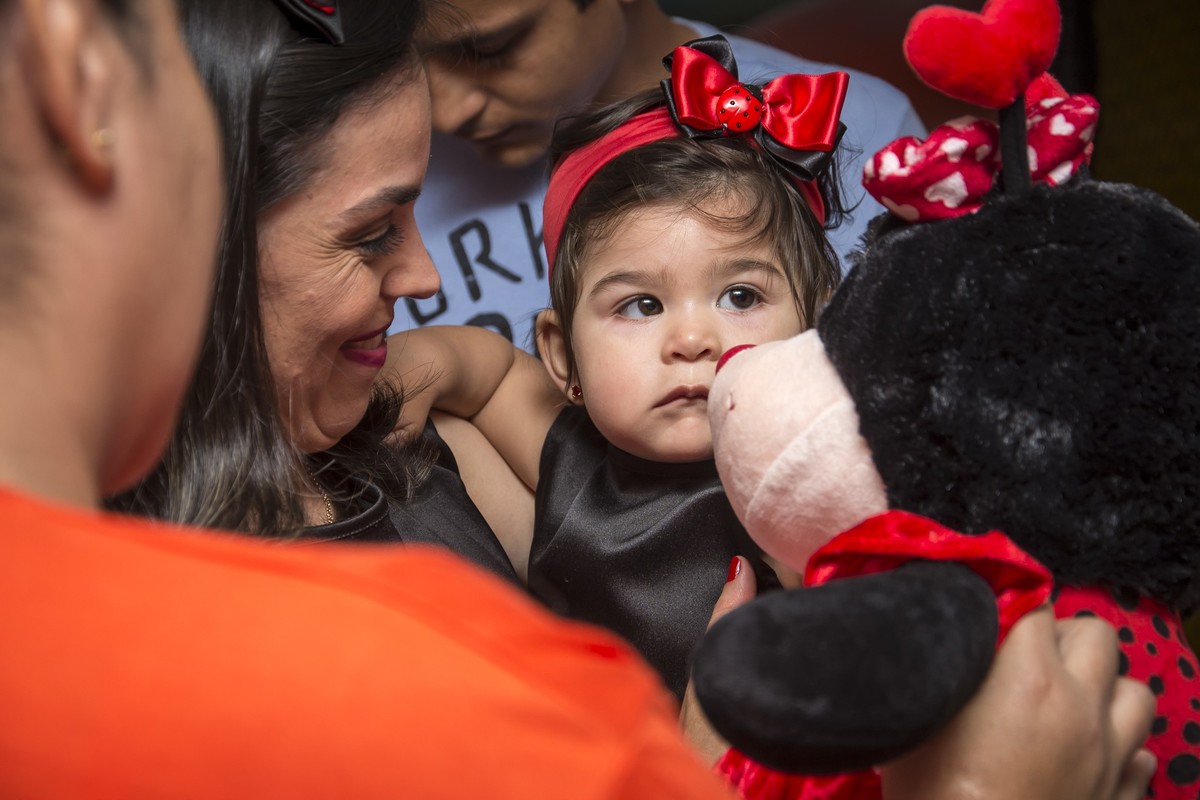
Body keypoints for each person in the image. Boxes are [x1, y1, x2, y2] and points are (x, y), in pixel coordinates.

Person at [0, 0, 1159, 796]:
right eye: (368, 231)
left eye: (742, 293)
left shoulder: (414, 467)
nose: (425, 273)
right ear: (74, 70)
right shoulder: (392, 670)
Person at [387, 37, 881, 700]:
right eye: (641, 305)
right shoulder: (577, 470)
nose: (692, 340)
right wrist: (415, 360)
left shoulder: (838, 467)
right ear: (563, 357)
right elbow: (492, 372)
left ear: (822, 324)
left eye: (741, 297)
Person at [107, 0, 526, 585]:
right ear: (198, 248)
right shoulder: (123, 584)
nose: (425, 277)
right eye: (372, 234)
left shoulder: (427, 456)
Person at [392, 0, 926, 348]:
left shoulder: (835, 124)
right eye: (406, 59)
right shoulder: (383, 155)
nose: (446, 113)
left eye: (490, 50)